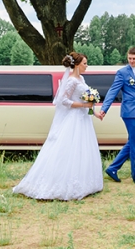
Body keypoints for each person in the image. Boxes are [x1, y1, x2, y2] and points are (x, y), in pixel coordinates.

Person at [12, 51, 103, 200]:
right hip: (73, 120)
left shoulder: (81, 78)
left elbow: (86, 101)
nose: (87, 66)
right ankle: (61, 184)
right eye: (85, 63)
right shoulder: (72, 81)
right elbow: (63, 101)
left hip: (83, 119)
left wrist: (95, 112)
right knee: (69, 150)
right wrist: (83, 104)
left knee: (82, 150)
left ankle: (84, 183)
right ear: (77, 65)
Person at [95, 46, 135, 184]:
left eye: (134, 59)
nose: (131, 61)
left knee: (133, 142)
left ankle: (113, 168)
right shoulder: (122, 73)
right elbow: (113, 91)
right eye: (129, 58)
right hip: (130, 112)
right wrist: (104, 109)